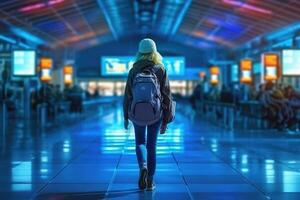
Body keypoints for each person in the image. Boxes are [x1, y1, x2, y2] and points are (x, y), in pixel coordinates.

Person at [123, 38, 173, 191]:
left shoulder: (133, 70)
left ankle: (142, 166)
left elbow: (128, 95)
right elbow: (167, 95)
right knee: (152, 145)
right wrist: (166, 119)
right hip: (155, 112)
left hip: (137, 112)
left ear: (139, 52)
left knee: (140, 142)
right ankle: (150, 181)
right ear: (154, 51)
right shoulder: (160, 69)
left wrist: (126, 116)